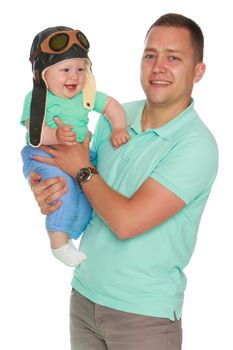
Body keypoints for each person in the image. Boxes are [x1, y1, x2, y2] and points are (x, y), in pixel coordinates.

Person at [29, 13, 218, 350]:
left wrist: (82, 168)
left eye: (173, 58)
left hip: (144, 316)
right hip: (84, 298)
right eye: (150, 55)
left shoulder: (196, 146)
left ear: (198, 71)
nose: (158, 66)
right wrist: (47, 187)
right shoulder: (117, 118)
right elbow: (86, 190)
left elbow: (127, 221)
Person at [21, 26, 130, 267]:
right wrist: (56, 135)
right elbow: (33, 132)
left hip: (80, 155)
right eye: (65, 70)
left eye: (81, 69)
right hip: (45, 154)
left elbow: (112, 106)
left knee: (88, 201)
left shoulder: (85, 95)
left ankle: (71, 234)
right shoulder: (38, 98)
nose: (74, 76)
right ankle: (58, 242)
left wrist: (120, 127)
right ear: (43, 74)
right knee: (62, 192)